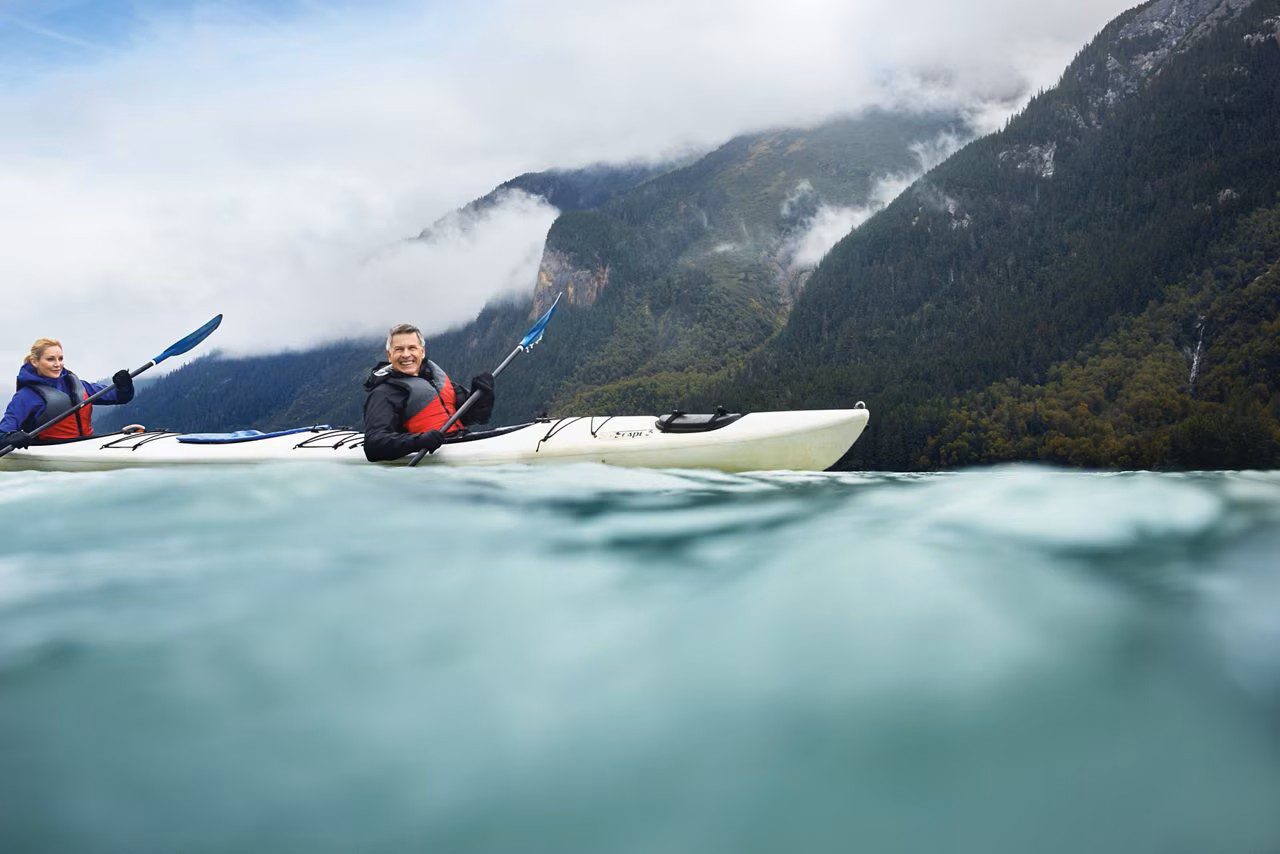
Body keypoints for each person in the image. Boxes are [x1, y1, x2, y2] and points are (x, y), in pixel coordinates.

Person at [362, 323, 494, 462]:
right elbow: (373, 446)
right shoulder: (383, 393)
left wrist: (483, 394)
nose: (406, 354)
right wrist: (419, 441)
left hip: (459, 442)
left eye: (412, 348)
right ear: (390, 355)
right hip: (425, 460)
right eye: (399, 349)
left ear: (422, 352)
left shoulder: (435, 379)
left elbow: (477, 417)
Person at [1, 338, 135, 448]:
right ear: (35, 362)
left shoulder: (76, 385)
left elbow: (121, 397)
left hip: (88, 444)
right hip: (52, 449)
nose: (57, 364)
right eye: (50, 359)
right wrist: (12, 437)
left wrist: (125, 385)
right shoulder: (26, 396)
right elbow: (3, 433)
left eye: (60, 358)